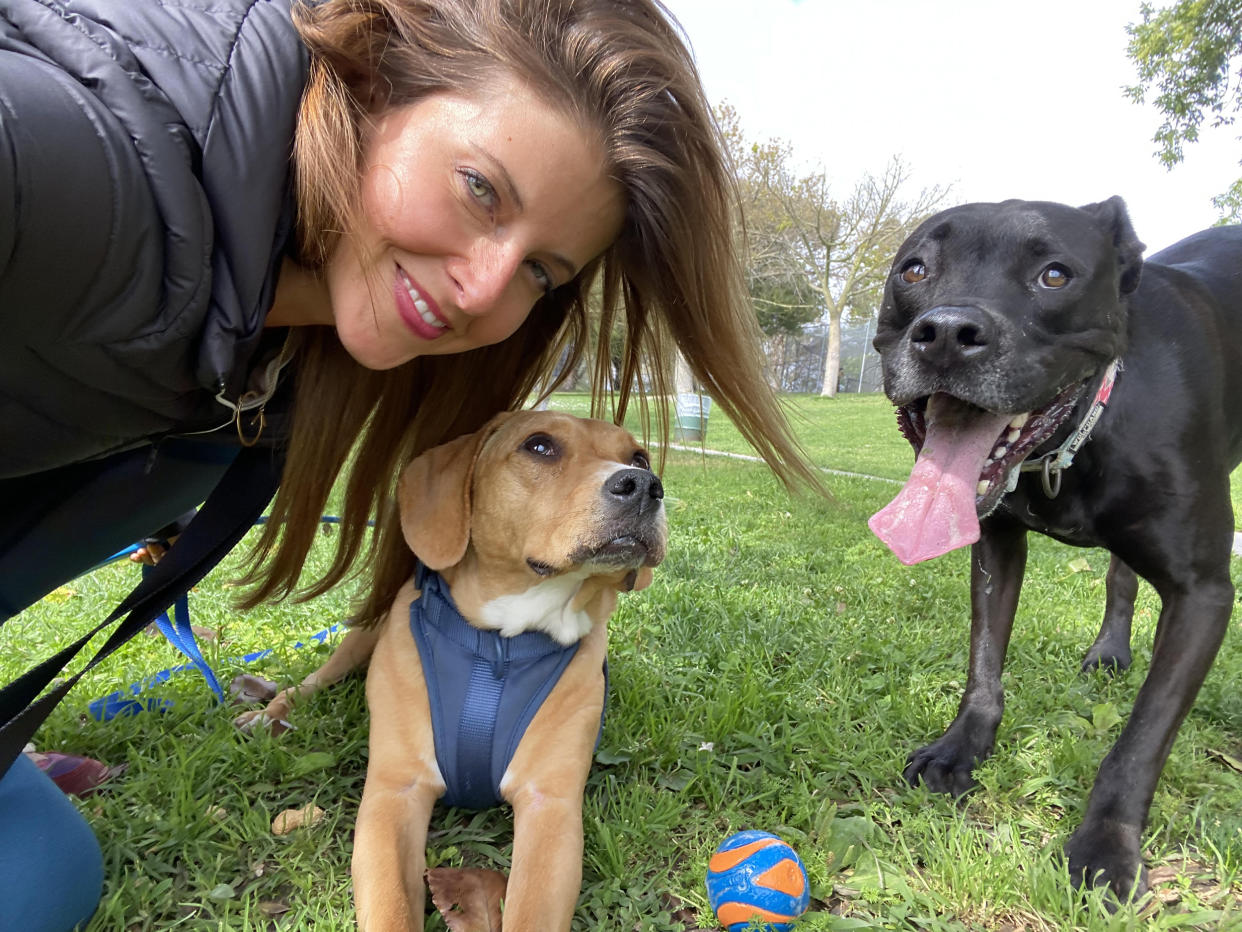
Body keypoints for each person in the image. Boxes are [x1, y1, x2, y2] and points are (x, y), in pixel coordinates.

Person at [0, 0, 821, 927]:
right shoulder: (66, 155)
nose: (482, 287)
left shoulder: (315, 367)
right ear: (372, 87)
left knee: (42, 878)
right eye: (481, 187)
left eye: (541, 273)